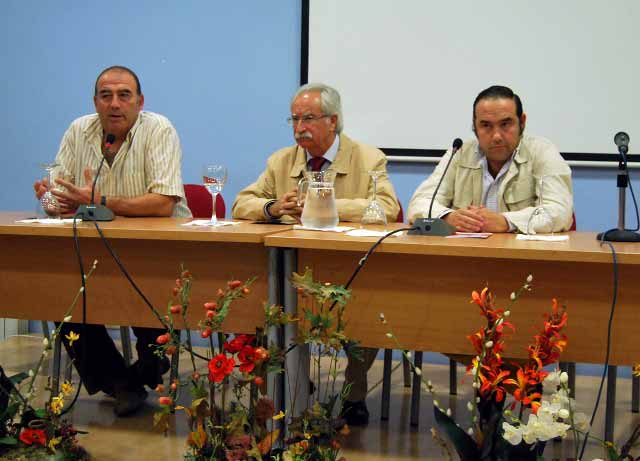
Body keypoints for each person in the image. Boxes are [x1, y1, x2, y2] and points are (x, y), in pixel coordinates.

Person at [233, 83, 400, 425]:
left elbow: (387, 207)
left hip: (350, 269)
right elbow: (241, 202)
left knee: (367, 305)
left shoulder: (369, 158)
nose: (299, 128)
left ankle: (354, 391)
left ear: (333, 121)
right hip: (291, 270)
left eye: (308, 118)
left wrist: (325, 205)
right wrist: (273, 206)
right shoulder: (281, 161)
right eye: (294, 119)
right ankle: (292, 380)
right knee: (261, 305)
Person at [33, 65, 191, 416]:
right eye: (106, 96)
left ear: (140, 101)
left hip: (159, 253)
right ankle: (121, 383)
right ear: (95, 102)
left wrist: (100, 201)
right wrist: (51, 199)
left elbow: (164, 203)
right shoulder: (79, 130)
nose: (115, 104)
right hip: (96, 250)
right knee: (65, 301)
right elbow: (64, 194)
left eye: (124, 95)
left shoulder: (158, 129)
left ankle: (146, 371)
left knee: (147, 304)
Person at [408, 85, 573, 233]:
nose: (496, 136)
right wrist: (448, 217)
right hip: (465, 256)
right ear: (474, 126)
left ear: (522, 122)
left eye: (505, 124)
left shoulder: (542, 152)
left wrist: (506, 221)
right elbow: (420, 202)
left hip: (522, 258)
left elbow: (559, 212)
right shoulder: (460, 153)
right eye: (486, 125)